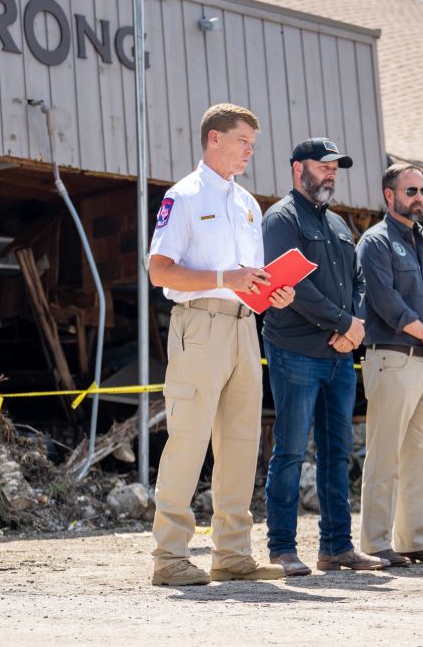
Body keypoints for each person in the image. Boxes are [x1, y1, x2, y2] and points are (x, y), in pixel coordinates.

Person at [148, 103, 296, 587]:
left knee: (239, 443)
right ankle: (169, 556)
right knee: (188, 439)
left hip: (243, 327)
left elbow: (246, 279)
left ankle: (231, 554)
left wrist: (273, 291)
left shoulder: (248, 204)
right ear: (214, 138)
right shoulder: (184, 196)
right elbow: (160, 270)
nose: (250, 150)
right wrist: (223, 277)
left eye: (253, 143)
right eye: (243, 141)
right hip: (199, 325)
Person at [261, 138, 388, 576]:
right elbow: (292, 289)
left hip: (339, 355)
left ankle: (336, 548)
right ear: (299, 169)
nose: (332, 172)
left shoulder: (337, 225)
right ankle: (282, 548)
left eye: (337, 167)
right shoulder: (281, 219)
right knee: (292, 451)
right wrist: (342, 323)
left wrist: (354, 325)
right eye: (325, 165)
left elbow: (360, 283)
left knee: (338, 455)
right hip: (296, 351)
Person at [356, 163, 423, 566]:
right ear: (390, 196)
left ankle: (414, 539)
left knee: (421, 454)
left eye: (422, 191)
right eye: (412, 191)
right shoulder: (375, 242)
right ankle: (376, 542)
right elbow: (384, 300)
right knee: (384, 454)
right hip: (393, 357)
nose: (420, 198)